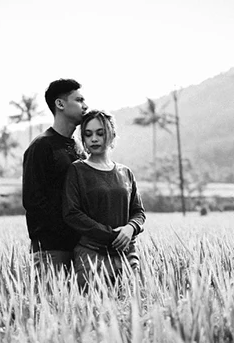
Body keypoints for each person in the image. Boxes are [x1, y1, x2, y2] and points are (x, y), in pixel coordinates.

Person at [62, 110, 146, 290]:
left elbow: (138, 212)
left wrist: (130, 229)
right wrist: (112, 235)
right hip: (92, 255)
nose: (94, 139)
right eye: (88, 134)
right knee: (93, 312)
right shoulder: (77, 170)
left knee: (131, 310)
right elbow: (72, 213)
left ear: (112, 135)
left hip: (126, 254)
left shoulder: (125, 172)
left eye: (100, 133)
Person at [22, 78, 88, 272]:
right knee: (51, 301)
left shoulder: (80, 147)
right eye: (79, 100)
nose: (86, 106)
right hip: (51, 250)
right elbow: (34, 201)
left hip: (80, 248)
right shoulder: (41, 146)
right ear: (60, 104)